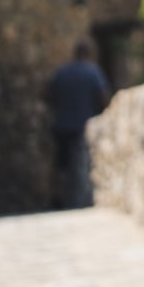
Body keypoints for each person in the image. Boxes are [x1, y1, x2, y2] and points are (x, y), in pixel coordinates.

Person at [47, 37, 112, 209]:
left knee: (61, 165)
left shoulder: (61, 72)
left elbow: (46, 93)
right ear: (89, 54)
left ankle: (58, 198)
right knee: (84, 163)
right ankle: (82, 199)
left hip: (61, 124)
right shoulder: (93, 72)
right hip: (84, 125)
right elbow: (103, 96)